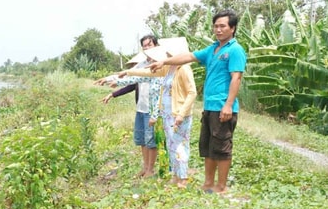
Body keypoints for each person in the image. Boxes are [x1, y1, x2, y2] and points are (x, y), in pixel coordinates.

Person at [149, 10, 246, 194]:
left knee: (222, 147)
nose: (218, 29)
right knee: (208, 147)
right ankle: (208, 183)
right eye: (216, 26)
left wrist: (228, 105)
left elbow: (236, 78)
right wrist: (164, 61)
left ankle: (221, 186)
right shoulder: (213, 49)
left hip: (223, 107)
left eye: (222, 26)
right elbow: (189, 57)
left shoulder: (235, 50)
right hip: (209, 107)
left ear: (232, 28)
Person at [118, 38, 197, 188]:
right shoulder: (169, 68)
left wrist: (181, 114)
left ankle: (183, 178)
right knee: (171, 144)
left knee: (180, 145)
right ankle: (176, 176)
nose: (166, 55)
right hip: (167, 113)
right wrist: (127, 71)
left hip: (178, 114)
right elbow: (147, 72)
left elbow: (192, 93)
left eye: (168, 52)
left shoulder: (184, 69)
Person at [96, 35, 159, 178]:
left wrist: (117, 81)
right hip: (141, 107)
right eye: (144, 46)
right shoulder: (141, 64)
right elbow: (129, 80)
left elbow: (133, 76)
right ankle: (145, 167)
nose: (146, 48)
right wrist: (108, 81)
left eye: (149, 45)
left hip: (153, 109)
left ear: (156, 45)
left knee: (151, 140)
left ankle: (150, 169)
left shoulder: (160, 65)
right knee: (142, 139)